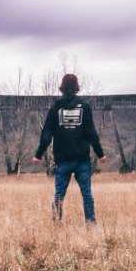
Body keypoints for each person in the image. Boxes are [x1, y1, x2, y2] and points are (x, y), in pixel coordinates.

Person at [33, 73, 104, 223]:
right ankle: (90, 224)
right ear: (77, 87)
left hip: (63, 159)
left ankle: (56, 224)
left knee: (59, 194)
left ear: (62, 87)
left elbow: (46, 133)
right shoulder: (84, 107)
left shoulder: (55, 108)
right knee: (87, 194)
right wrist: (100, 153)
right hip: (82, 159)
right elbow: (91, 132)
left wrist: (38, 154)